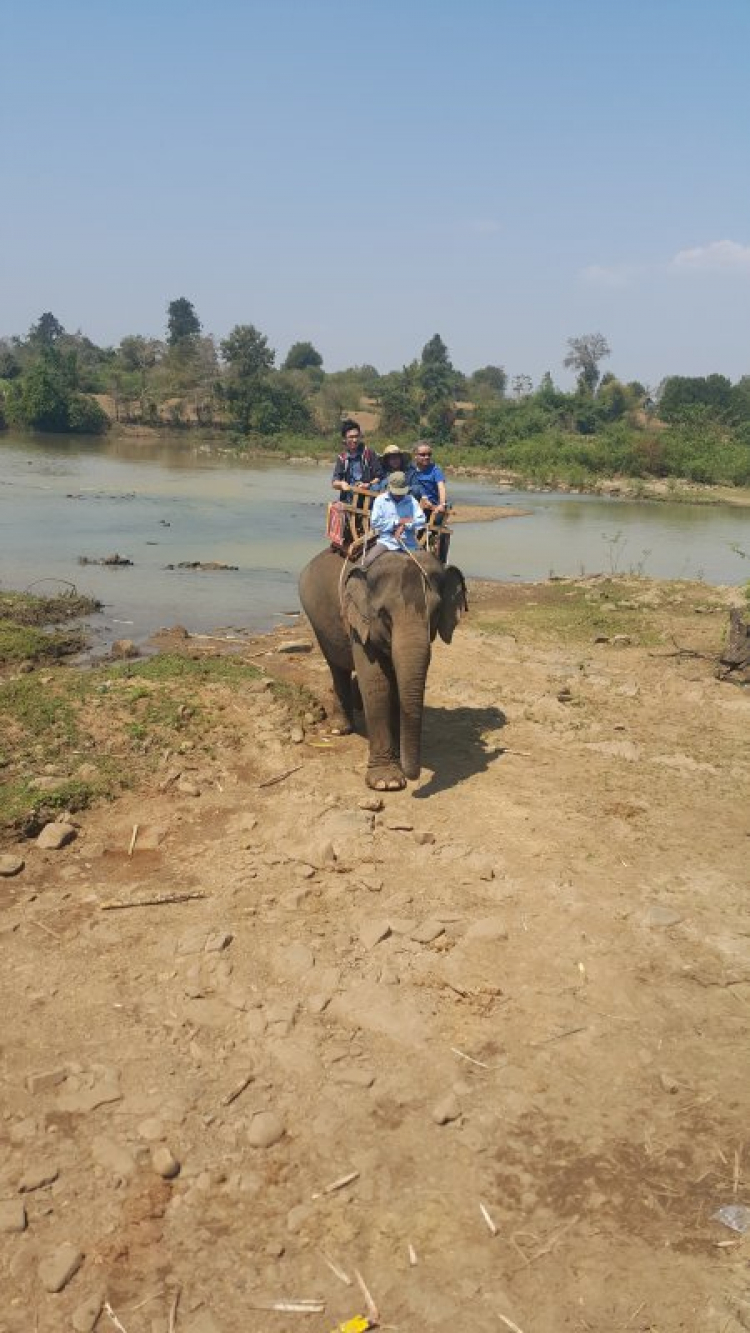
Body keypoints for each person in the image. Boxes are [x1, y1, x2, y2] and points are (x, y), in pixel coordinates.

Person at [364, 471, 426, 565]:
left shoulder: (412, 501)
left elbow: (421, 520)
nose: (399, 495)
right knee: (368, 561)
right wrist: (397, 522)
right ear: (389, 488)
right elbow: (375, 523)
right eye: (396, 493)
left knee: (426, 567)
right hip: (387, 542)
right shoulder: (380, 500)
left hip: (409, 544)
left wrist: (405, 525)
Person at [331, 419, 383, 501]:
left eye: (356, 436)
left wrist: (368, 484)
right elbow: (334, 482)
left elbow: (379, 477)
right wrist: (341, 484)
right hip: (349, 497)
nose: (354, 440)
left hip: (368, 498)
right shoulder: (342, 458)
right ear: (344, 439)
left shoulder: (369, 454)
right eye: (351, 437)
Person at [410, 441, 448, 518]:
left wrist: (442, 504)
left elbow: (441, 487)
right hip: (414, 505)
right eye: (423, 455)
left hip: (433, 506)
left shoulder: (435, 470)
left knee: (436, 523)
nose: (426, 457)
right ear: (415, 456)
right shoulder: (410, 469)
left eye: (429, 454)